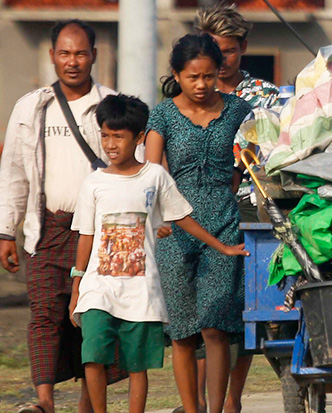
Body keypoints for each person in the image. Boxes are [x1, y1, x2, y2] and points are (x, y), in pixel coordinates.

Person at [68, 94, 248, 413]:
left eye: (118, 136)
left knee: (138, 366)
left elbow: (180, 217)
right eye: (105, 135)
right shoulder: (93, 183)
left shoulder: (155, 177)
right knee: (93, 355)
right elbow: (86, 236)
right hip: (99, 288)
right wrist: (77, 285)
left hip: (140, 290)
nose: (110, 144)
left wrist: (222, 247)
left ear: (139, 138)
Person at [0, 19, 120, 413]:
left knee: (93, 320)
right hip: (45, 228)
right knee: (44, 315)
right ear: (52, 57)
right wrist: (4, 231)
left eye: (81, 53)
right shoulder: (31, 106)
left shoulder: (113, 105)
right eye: (64, 53)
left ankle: (87, 402)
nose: (73, 61)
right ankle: (44, 402)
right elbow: (14, 170)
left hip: (99, 233)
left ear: (95, 56)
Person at [144, 34, 253, 413]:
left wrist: (235, 181)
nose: (202, 85)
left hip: (224, 224)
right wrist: (157, 217)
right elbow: (153, 174)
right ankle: (193, 409)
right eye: (193, 77)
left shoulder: (238, 110)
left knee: (215, 325)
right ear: (177, 74)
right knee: (183, 332)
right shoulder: (162, 114)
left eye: (209, 76)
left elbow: (251, 158)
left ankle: (221, 408)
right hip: (174, 230)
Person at [189, 5, 281, 412]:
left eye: (228, 51)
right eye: (213, 50)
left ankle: (232, 401)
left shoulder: (266, 97)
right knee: (200, 314)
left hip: (247, 211)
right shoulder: (183, 94)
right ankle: (197, 402)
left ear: (243, 47)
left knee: (241, 311)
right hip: (195, 211)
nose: (221, 61)